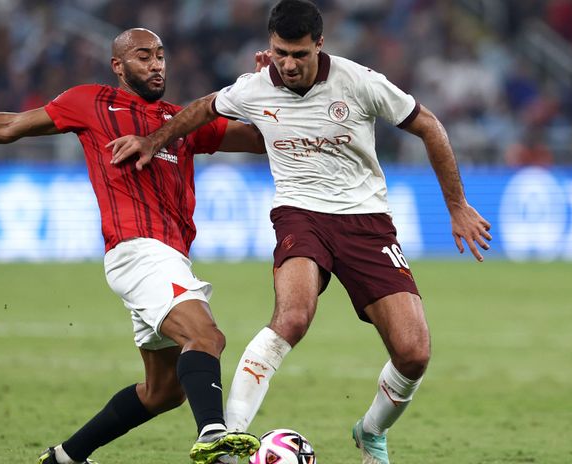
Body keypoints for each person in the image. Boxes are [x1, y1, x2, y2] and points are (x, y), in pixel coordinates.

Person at [107, 2, 493, 464]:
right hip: (299, 215)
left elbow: (429, 126)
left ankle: (370, 432)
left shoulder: (359, 82)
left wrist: (457, 206)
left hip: (366, 222)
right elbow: (202, 109)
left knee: (414, 354)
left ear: (320, 46)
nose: (287, 64)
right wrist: (154, 141)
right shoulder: (255, 87)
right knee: (291, 318)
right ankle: (226, 440)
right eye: (279, 53)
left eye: (298, 55)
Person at [0, 28, 265, 464]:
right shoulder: (91, 102)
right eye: (143, 56)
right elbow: (11, 125)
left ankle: (65, 457)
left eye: (161, 55)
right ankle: (216, 440)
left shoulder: (181, 121)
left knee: (162, 393)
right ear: (118, 66)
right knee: (205, 336)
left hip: (171, 257)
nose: (156, 64)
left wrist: (262, 96)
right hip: (137, 250)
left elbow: (258, 140)